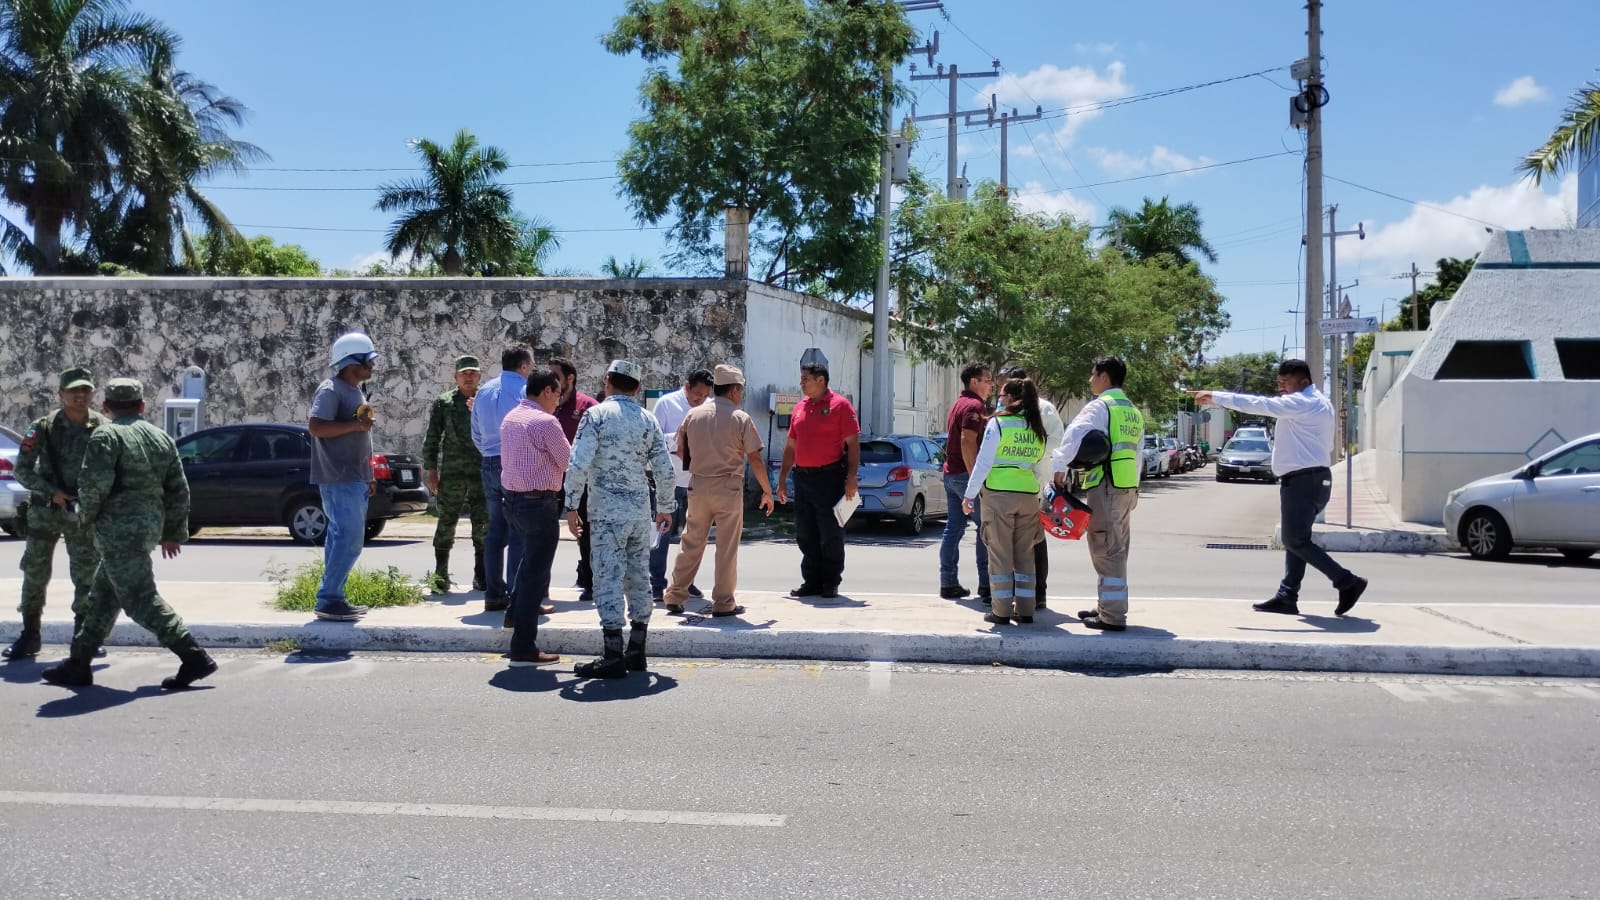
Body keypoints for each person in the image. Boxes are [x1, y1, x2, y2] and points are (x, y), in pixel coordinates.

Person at [39, 379, 216, 690]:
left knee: (140, 599)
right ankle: (78, 663)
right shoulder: (161, 438)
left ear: (106, 407)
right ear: (142, 406)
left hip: (117, 532)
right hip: (146, 528)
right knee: (102, 599)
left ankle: (193, 657)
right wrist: (172, 532)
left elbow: (94, 486)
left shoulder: (106, 435)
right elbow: (178, 490)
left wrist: (85, 520)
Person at [1192, 359, 1369, 617]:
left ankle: (1347, 582)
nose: (1281, 389)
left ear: (1303, 382)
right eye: (1279, 383)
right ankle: (1287, 596)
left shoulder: (1302, 402)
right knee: (1298, 540)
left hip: (1304, 481)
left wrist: (1216, 397)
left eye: (1286, 383)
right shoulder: (1318, 403)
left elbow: (1260, 404)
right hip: (1311, 479)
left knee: (1293, 540)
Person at [563, 360, 675, 679]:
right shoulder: (648, 419)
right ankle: (637, 650)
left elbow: (578, 464)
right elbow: (665, 470)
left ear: (607, 381)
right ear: (637, 388)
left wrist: (571, 506)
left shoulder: (595, 415)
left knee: (608, 578)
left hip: (606, 513)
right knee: (639, 575)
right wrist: (665, 507)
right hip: (640, 511)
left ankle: (613, 654)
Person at [4, 367, 107, 661]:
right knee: (35, 573)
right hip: (45, 512)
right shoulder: (42, 427)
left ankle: (84, 636)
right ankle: (30, 635)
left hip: (83, 514)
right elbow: (21, 469)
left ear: (92, 394)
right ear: (60, 394)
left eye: (85, 390)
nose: (80, 395)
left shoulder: (102, 427)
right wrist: (51, 492)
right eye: (74, 390)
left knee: (86, 575)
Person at [664, 364, 774, 616]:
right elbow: (755, 459)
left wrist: (697, 466)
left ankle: (675, 593)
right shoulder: (740, 418)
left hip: (699, 484)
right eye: (741, 389)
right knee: (726, 547)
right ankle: (723, 602)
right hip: (728, 486)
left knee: (691, 541)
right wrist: (766, 491)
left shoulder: (694, 415)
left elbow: (680, 449)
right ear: (734, 390)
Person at [1050, 356, 1143, 632]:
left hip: (1106, 486)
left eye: (1093, 374)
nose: (1090, 379)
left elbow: (1074, 434)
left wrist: (1059, 465)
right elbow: (1137, 454)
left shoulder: (1101, 406)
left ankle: (1112, 616)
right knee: (1118, 548)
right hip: (1126, 487)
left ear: (1104, 376)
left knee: (1106, 548)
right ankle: (1107, 605)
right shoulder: (1132, 411)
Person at [497, 369, 571, 666]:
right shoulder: (545, 422)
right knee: (534, 576)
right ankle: (523, 647)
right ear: (547, 392)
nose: (559, 401)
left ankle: (514, 614)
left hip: (513, 500)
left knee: (527, 564)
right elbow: (568, 461)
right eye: (558, 394)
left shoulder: (511, 417)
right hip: (538, 503)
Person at [963, 377, 1049, 624]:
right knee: (1024, 554)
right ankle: (1025, 610)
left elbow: (984, 462)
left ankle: (1000, 611)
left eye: (1001, 396)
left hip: (999, 495)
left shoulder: (999, 424)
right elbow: (1038, 464)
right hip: (1028, 495)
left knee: (1000, 554)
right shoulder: (1036, 428)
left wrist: (969, 495)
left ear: (1010, 399)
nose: (998, 400)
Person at [307, 332, 379, 622]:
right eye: (368, 361)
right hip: (338, 477)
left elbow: (360, 433)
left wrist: (369, 474)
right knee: (349, 539)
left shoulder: (355, 390)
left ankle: (331, 597)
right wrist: (354, 425)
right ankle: (329, 598)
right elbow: (316, 427)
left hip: (354, 477)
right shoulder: (331, 390)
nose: (372, 366)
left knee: (340, 539)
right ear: (352, 363)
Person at [776, 361, 860, 599]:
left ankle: (830, 582)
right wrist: (782, 479)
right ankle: (811, 581)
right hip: (802, 478)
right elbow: (790, 446)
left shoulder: (840, 406)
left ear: (820, 380)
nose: (801, 382)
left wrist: (851, 478)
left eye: (805, 378)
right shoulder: (800, 407)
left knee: (830, 532)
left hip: (829, 477)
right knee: (805, 532)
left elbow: (853, 444)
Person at [470, 344, 535, 616]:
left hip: (488, 462)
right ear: (523, 366)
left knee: (495, 528)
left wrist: (488, 452)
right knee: (519, 529)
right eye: (530, 366)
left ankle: (493, 592)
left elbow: (474, 432)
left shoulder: (484, 391)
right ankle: (517, 593)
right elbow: (533, 427)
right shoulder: (524, 392)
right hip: (514, 462)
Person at [421, 355, 488, 594]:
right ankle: (441, 576)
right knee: (446, 524)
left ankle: (481, 576)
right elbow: (432, 438)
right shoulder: (444, 403)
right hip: (452, 475)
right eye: (464, 373)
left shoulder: (487, 400)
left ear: (479, 376)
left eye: (473, 373)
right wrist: (431, 471)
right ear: (456, 377)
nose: (468, 377)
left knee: (483, 526)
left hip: (481, 474)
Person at [1000, 365, 1065, 610]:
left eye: (1007, 387)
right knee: (1022, 540)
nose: (1003, 393)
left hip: (1032, 484)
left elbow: (1057, 444)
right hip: (1019, 483)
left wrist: (1034, 459)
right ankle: (1024, 593)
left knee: (1033, 540)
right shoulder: (1013, 411)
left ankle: (1036, 593)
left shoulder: (1042, 409)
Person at [649, 368, 713, 602]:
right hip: (670, 479)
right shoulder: (666, 404)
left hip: (697, 480)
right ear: (686, 386)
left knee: (694, 536)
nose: (700, 400)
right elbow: (653, 440)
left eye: (705, 395)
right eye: (697, 394)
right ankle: (656, 582)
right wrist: (677, 438)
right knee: (662, 534)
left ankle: (686, 581)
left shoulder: (709, 408)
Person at [939, 363, 994, 601]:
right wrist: (975, 480)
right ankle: (987, 585)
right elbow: (967, 441)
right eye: (987, 380)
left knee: (954, 529)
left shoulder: (959, 403)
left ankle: (948, 583)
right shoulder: (974, 405)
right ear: (974, 382)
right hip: (964, 476)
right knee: (985, 529)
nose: (991, 385)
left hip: (951, 475)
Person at [549, 357, 600, 601]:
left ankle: (590, 583)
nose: (552, 381)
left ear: (570, 378)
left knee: (585, 532)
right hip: (551, 479)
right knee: (545, 532)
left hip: (581, 479)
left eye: (556, 376)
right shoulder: (547, 404)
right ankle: (540, 585)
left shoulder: (588, 405)